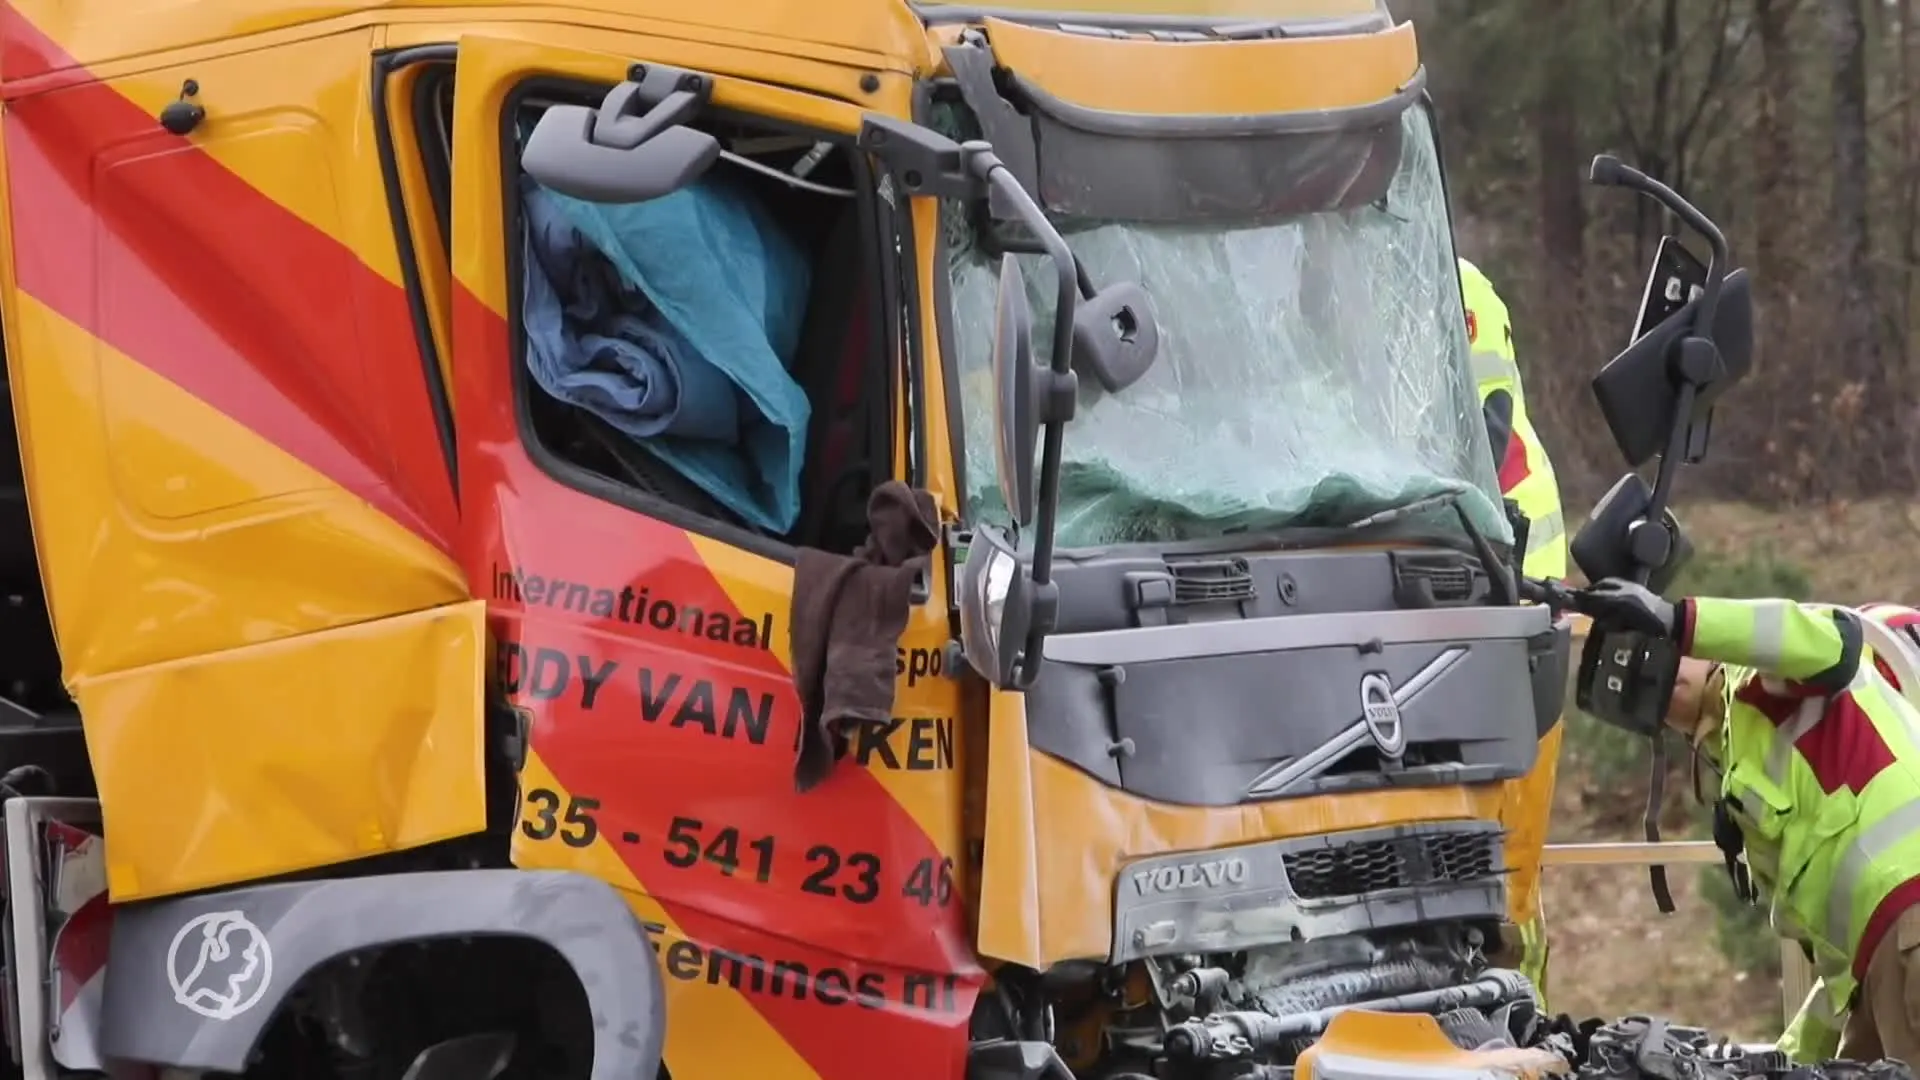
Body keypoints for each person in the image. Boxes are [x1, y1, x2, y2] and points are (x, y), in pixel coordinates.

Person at [1575, 578, 1920, 1065]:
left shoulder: (1765, 676)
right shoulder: (1738, 767)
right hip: (1879, 952)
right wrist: (1776, 1063)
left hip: (1909, 914)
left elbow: (1834, 640)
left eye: (1670, 653)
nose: (1665, 675)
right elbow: (1836, 977)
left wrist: (1680, 620)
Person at [1460, 257, 1566, 1007]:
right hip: (1465, 587)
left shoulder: (1445, 283)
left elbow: (1481, 435)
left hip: (1509, 591)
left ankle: (1516, 1027)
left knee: (1504, 887)